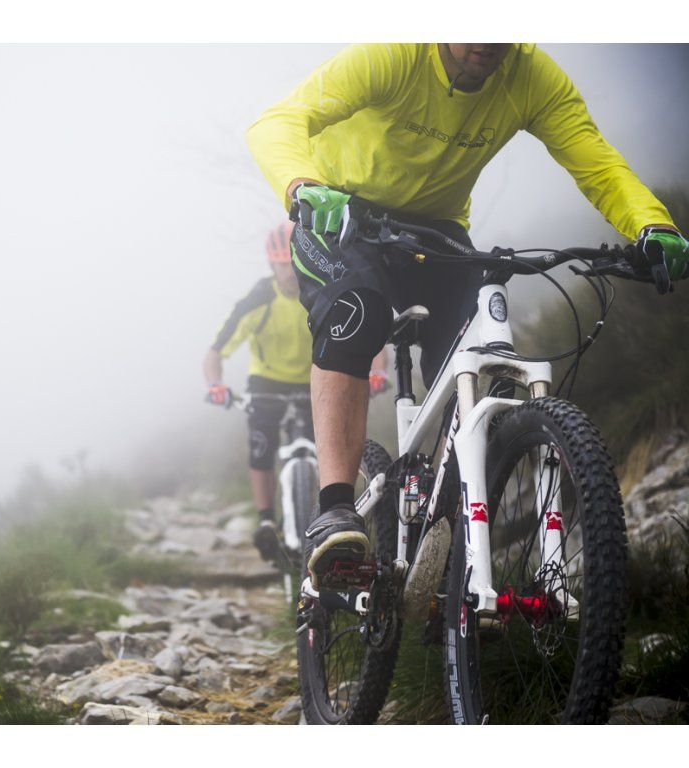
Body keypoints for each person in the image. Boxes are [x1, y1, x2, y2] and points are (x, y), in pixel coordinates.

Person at [246, 43, 689, 590]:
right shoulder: (395, 55)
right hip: (340, 216)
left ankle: (444, 527)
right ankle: (335, 509)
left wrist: (651, 224)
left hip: (434, 232)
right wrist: (303, 186)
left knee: (479, 355)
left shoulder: (531, 77)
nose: (486, 39)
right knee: (357, 314)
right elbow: (278, 121)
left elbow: (596, 160)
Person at [204, 222, 388, 563]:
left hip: (314, 380)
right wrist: (216, 384)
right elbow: (215, 351)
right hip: (266, 384)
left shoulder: (319, 289)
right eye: (280, 265)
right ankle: (265, 519)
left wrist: (378, 372)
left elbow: (364, 334)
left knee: (327, 441)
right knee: (261, 444)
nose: (287, 271)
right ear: (271, 265)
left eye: (290, 262)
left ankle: (324, 511)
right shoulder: (258, 300)